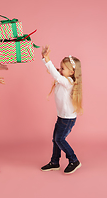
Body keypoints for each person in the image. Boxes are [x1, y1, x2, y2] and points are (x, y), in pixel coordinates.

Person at [41, 46, 83, 174]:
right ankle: (54, 162)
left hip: (67, 118)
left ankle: (74, 160)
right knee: (55, 139)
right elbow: (55, 73)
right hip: (62, 117)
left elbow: (55, 74)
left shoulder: (68, 82)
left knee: (59, 139)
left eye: (63, 68)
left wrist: (47, 59)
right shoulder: (63, 80)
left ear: (71, 72)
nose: (60, 70)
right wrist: (44, 59)